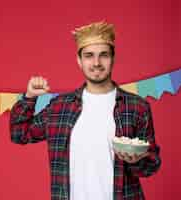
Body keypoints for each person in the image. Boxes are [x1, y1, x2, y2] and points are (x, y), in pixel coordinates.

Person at [9, 21, 161, 200]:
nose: (96, 63)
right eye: (89, 55)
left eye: (103, 55)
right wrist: (29, 97)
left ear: (113, 58)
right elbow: (19, 134)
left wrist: (138, 160)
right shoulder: (59, 107)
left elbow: (152, 164)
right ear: (79, 61)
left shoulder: (137, 107)